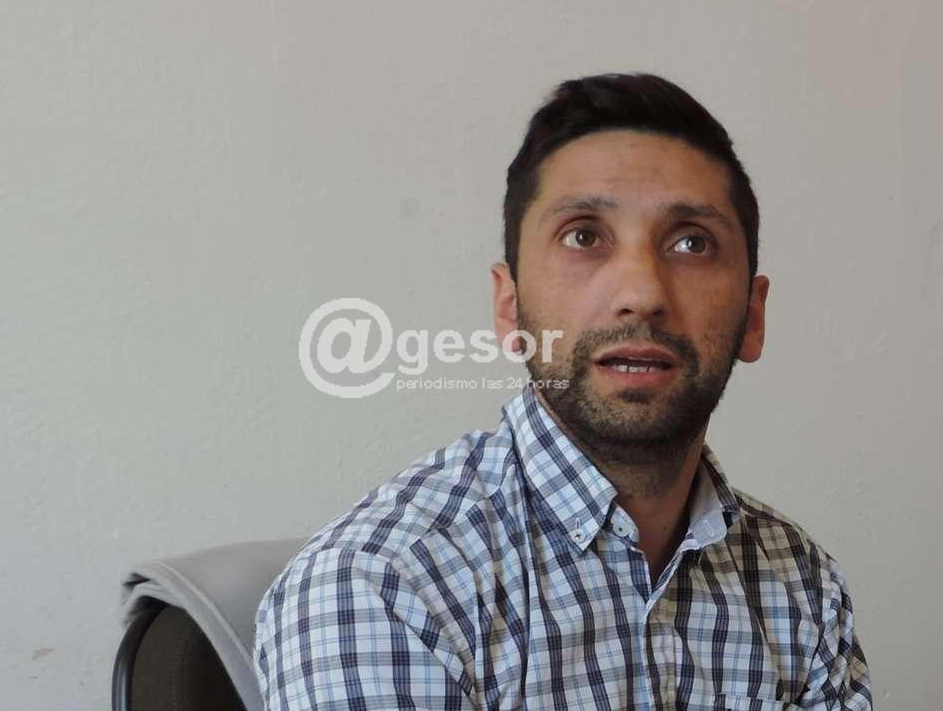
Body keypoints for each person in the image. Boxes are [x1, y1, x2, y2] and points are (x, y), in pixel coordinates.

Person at [254, 72, 871, 709]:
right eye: (584, 236)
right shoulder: (384, 589)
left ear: (753, 315)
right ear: (509, 306)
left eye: (692, 242)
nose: (642, 294)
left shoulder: (803, 585)